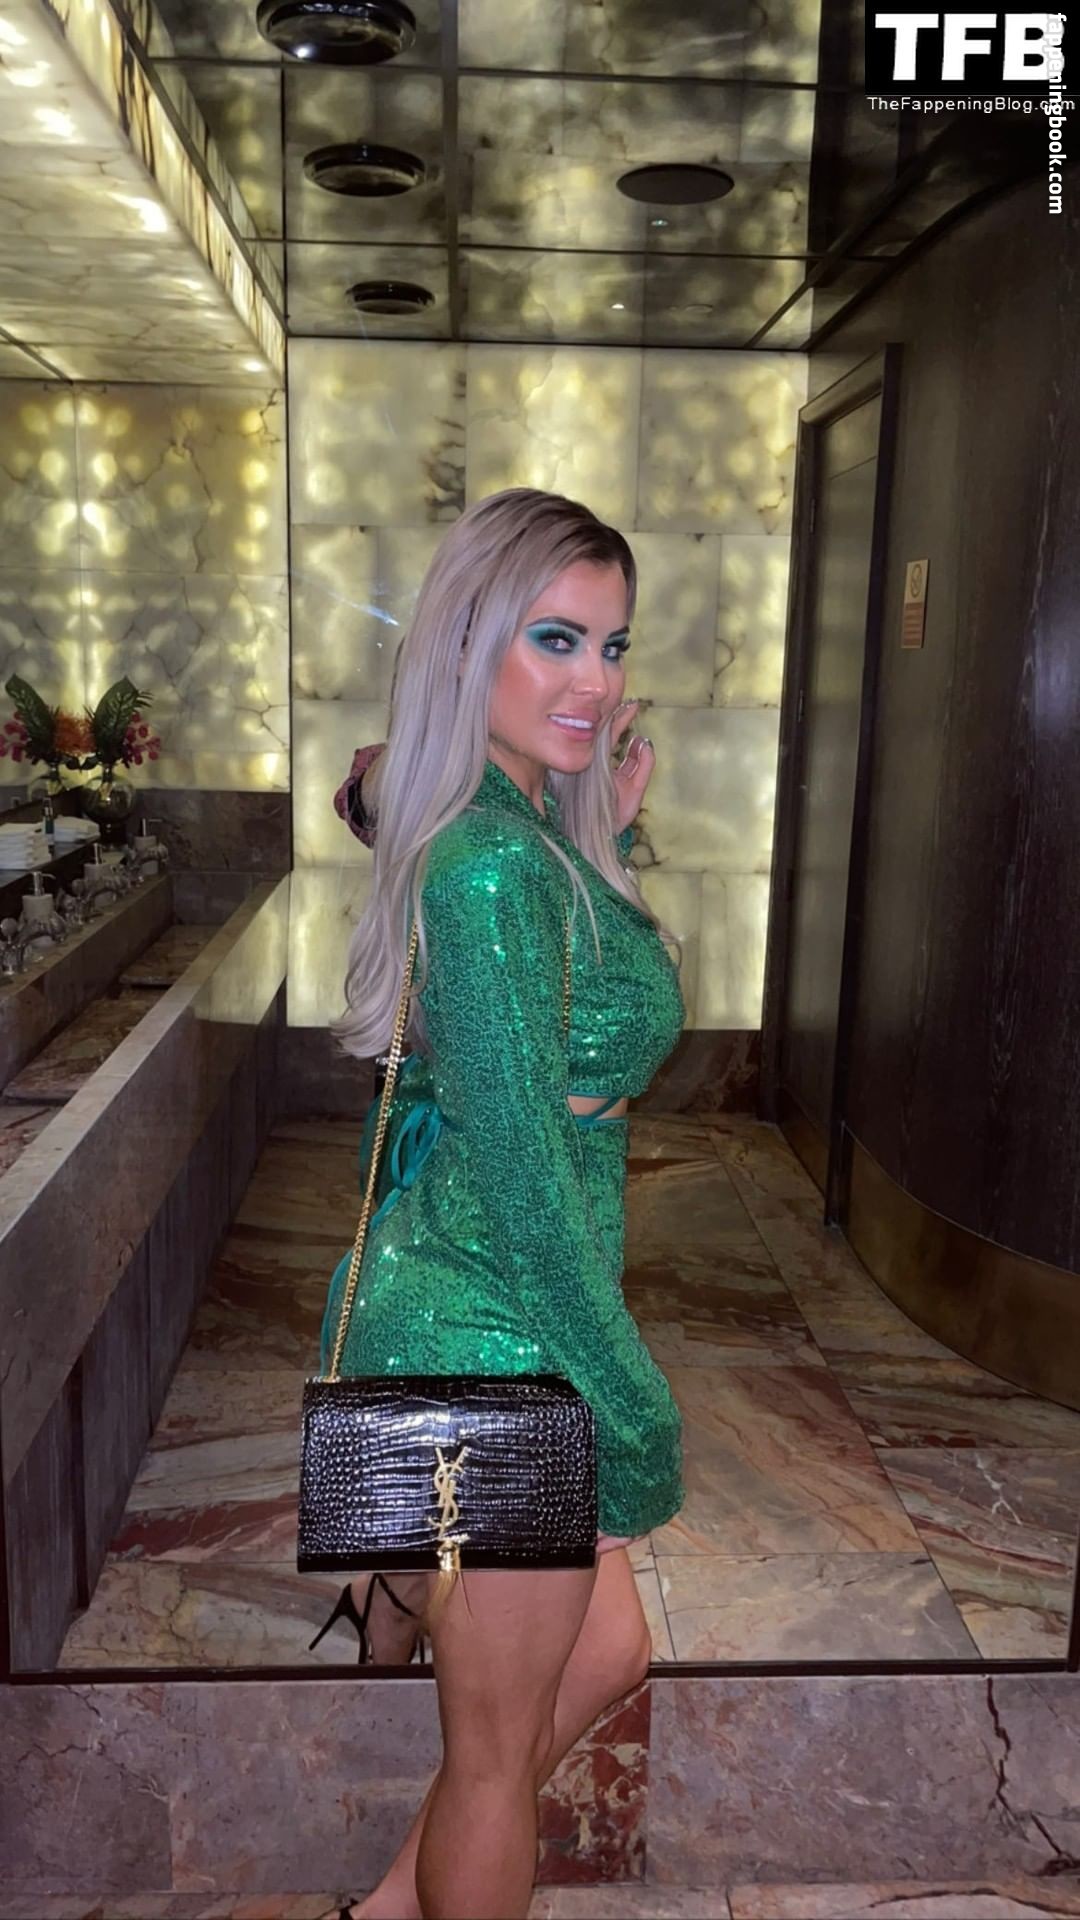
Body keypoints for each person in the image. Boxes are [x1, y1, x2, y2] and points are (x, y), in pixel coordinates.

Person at [316, 487, 686, 1920]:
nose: (595, 680)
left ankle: (379, 1909)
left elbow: (567, 995)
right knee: (491, 1765)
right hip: (493, 1321)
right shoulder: (485, 864)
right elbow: (532, 1179)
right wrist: (628, 1392)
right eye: (557, 639)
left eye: (613, 644)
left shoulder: (519, 824)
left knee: (606, 1659)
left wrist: (610, 836)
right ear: (473, 642)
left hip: (487, 1293)